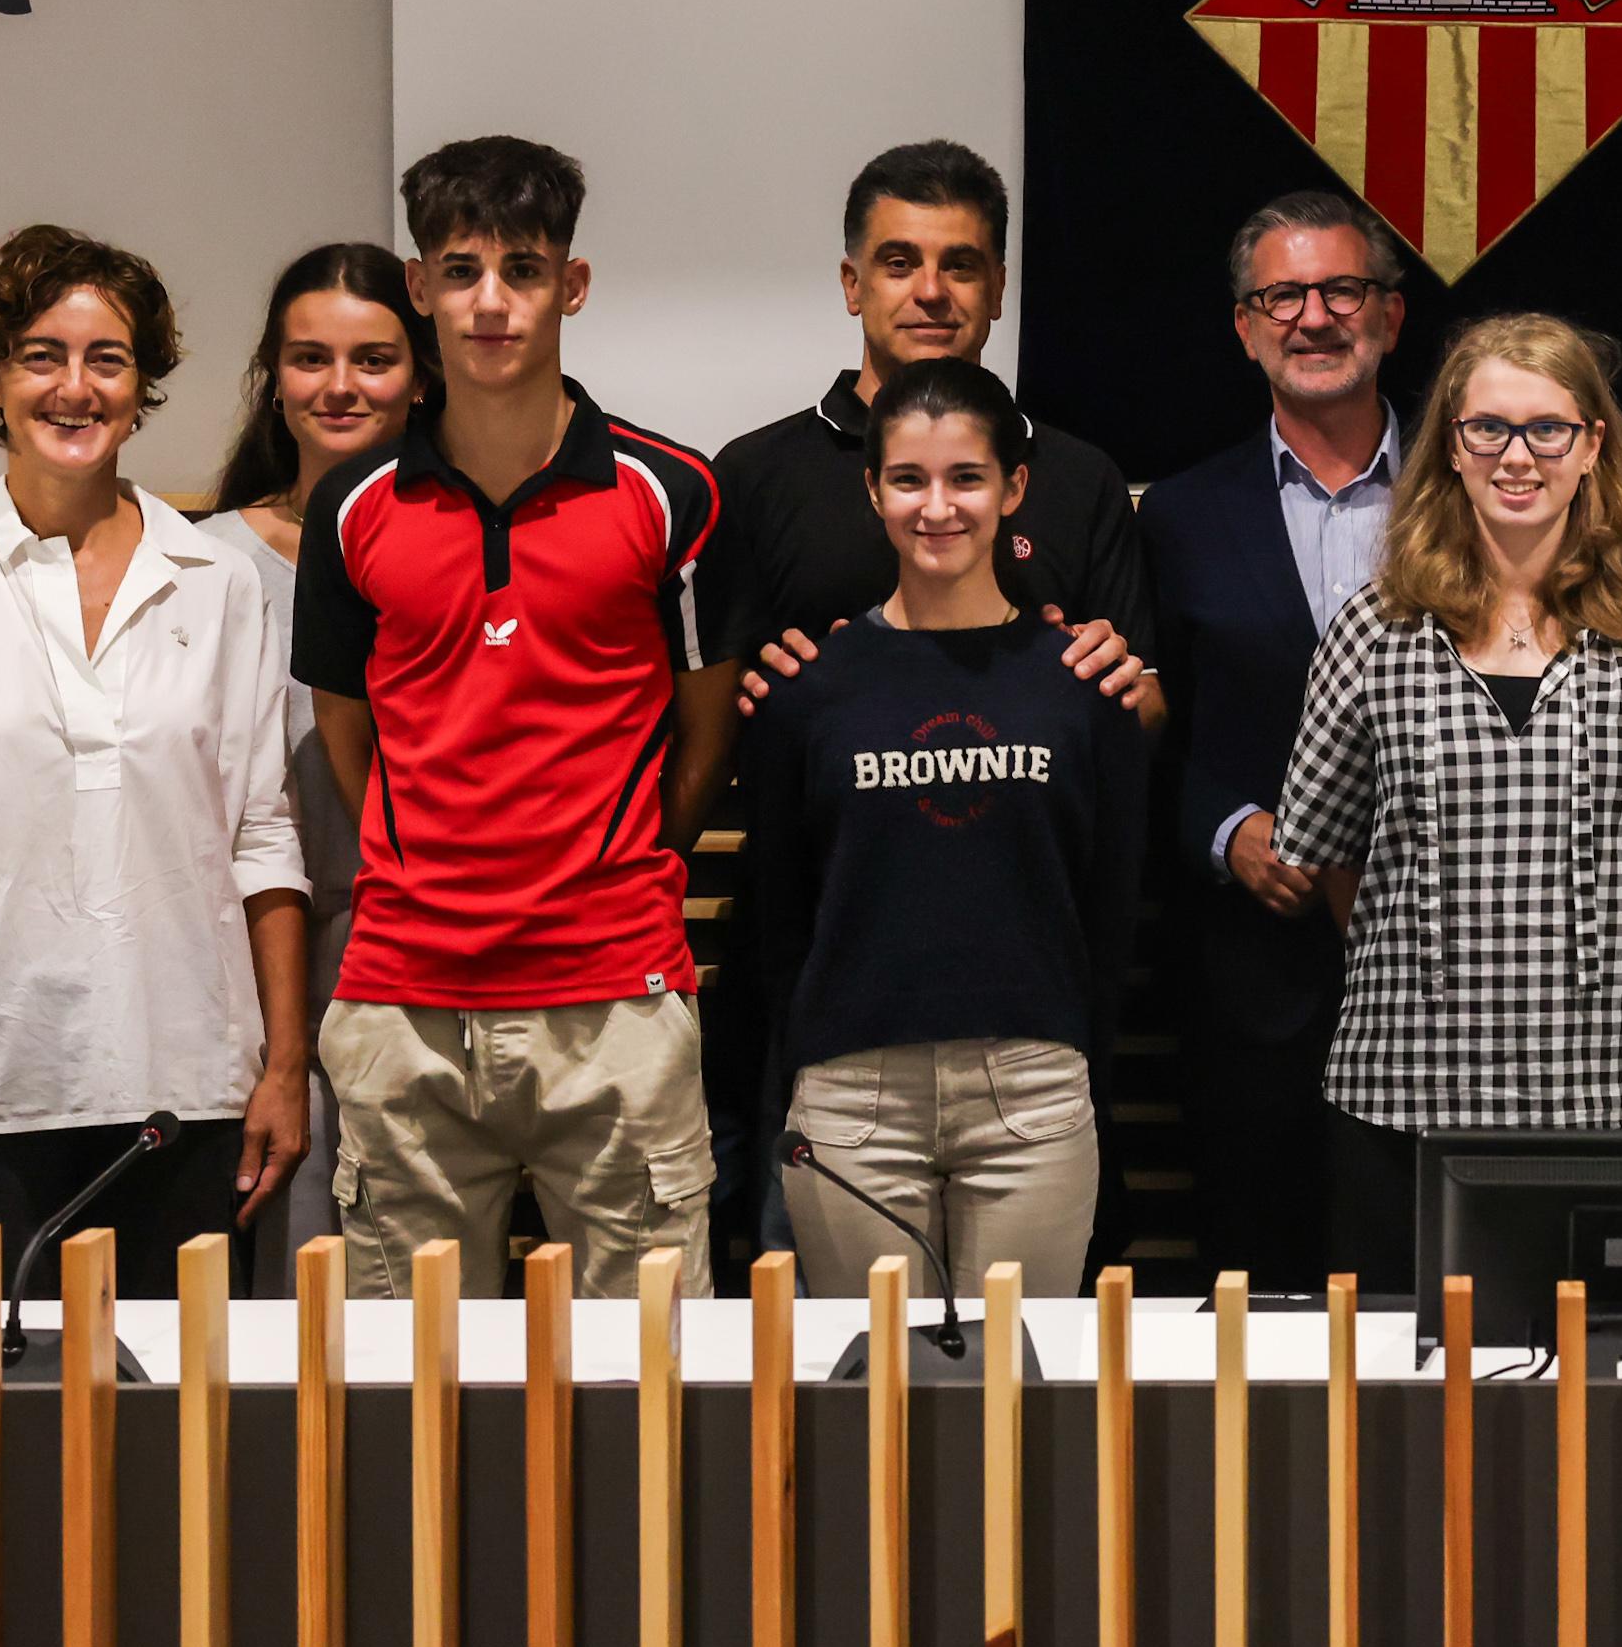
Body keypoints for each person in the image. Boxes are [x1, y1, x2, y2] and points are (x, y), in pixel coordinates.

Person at [0, 226, 309, 1286]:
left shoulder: (215, 583)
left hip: (192, 1095)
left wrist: (285, 1067)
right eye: (42, 355)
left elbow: (265, 835)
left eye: (107, 358)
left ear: (141, 385)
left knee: (183, 1436)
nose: (74, 387)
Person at [295, 136, 736, 1296]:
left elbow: (705, 729)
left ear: (571, 286)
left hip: (617, 1005)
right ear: (419, 285)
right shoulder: (351, 504)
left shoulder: (671, 491)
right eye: (461, 268)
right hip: (405, 1004)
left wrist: (626, 867)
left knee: (652, 1383)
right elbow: (350, 733)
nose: (491, 301)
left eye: (523, 268)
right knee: (409, 1391)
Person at [706, 139, 1155, 1260]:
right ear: (854, 283)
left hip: (1025, 1006)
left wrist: (1121, 684)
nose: (933, 289)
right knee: (838, 1374)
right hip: (829, 997)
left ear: (998, 288)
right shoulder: (754, 476)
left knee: (1024, 1380)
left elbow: (1134, 713)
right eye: (901, 261)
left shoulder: (1083, 476)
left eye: (962, 264)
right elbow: (722, 719)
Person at [1273, 312, 1622, 1287]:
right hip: (1405, 1089)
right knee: (1403, 1406)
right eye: (1488, 429)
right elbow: (1333, 854)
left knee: (1603, 1399)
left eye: (1548, 428)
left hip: (1611, 1087)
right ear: (1449, 450)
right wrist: (1411, 960)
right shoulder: (1372, 631)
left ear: (1593, 445)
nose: (1518, 455)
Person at [1135, 190, 1408, 1291]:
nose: (1315, 316)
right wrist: (1228, 827)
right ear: (1245, 328)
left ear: (1389, 316)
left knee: (1444, 1291)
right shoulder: (1178, 516)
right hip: (1259, 976)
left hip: (1453, 965)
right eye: (1282, 295)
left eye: (1342, 289)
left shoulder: (1479, 488)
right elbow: (1156, 729)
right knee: (1267, 1286)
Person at [201, 241, 440, 1264]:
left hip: (418, 962)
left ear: (421, 374)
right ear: (273, 376)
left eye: (373, 359)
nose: (339, 386)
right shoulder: (199, 560)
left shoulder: (465, 544)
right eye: (309, 358)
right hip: (236, 973)